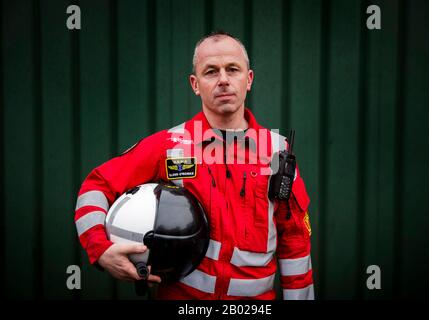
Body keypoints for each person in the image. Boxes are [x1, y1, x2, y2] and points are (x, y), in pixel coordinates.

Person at [74, 31, 314, 300]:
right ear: (195, 83)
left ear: (248, 79)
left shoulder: (276, 152)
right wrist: (101, 249)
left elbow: (295, 241)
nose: (223, 79)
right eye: (211, 71)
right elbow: (95, 187)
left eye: (232, 69)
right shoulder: (170, 145)